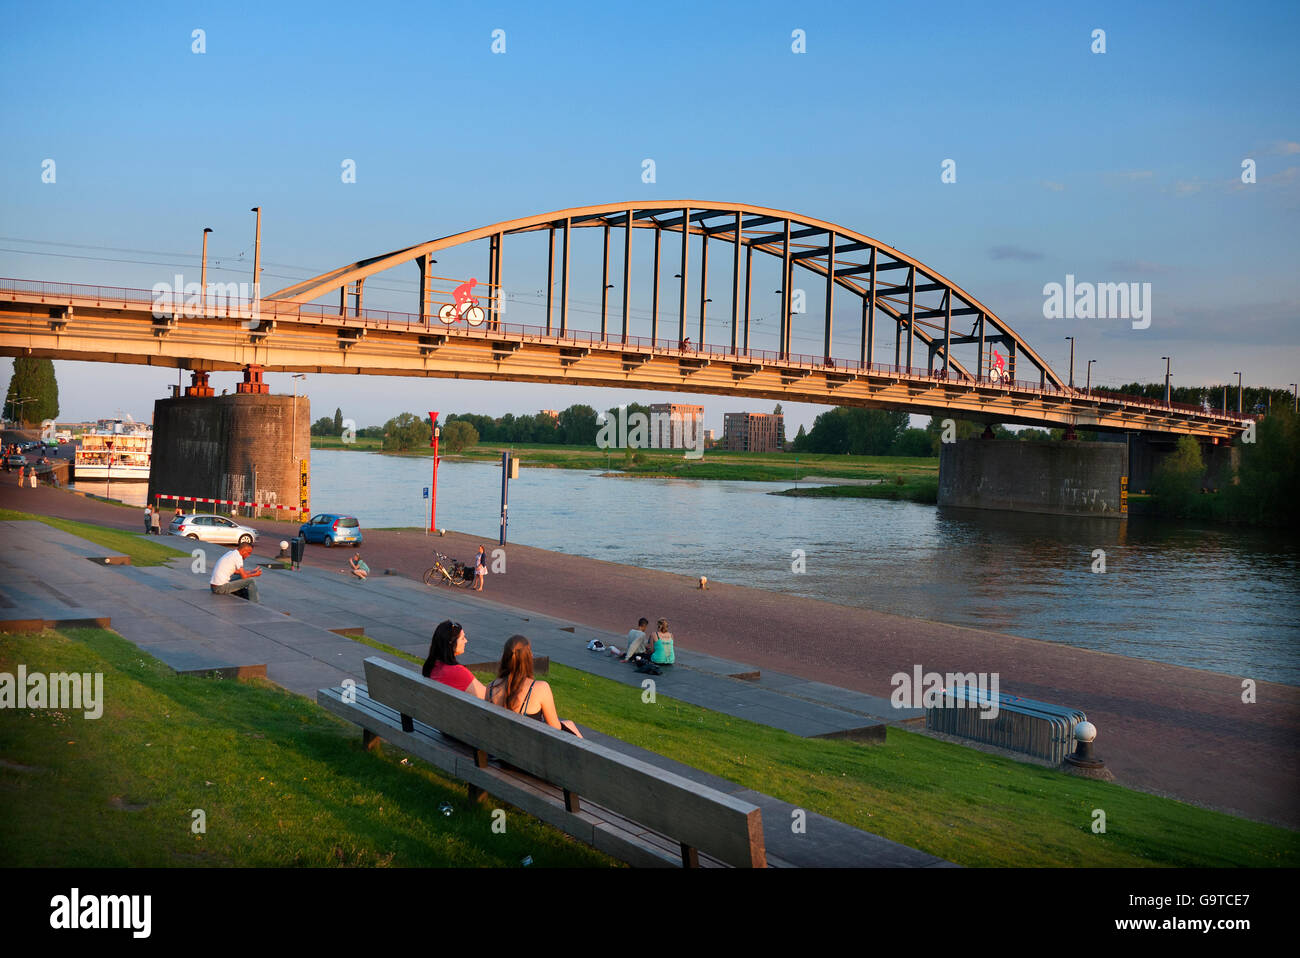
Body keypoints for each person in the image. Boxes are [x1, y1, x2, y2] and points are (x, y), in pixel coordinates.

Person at [486, 635, 582, 737]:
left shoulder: (491, 688)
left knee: (569, 724)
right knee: (571, 729)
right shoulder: (540, 688)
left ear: (505, 657)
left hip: (499, 746)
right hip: (528, 748)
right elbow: (555, 728)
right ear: (529, 657)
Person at [421, 619, 486, 699]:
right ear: (451, 643)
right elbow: (487, 697)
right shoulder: (457, 672)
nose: (466, 641)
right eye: (462, 638)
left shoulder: (431, 666)